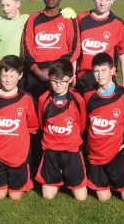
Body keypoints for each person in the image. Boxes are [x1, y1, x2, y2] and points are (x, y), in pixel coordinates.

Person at [84, 52, 124, 202]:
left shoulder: (123, 95)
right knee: (103, 198)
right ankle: (110, 181)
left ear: (113, 71)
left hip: (116, 154)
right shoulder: (88, 95)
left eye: (104, 70)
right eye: (96, 71)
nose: (100, 75)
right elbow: (82, 121)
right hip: (96, 156)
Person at [0, 55, 39, 200]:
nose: (7, 79)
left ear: (20, 76)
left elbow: (33, 127)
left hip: (18, 155)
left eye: (12, 76)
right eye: (4, 75)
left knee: (15, 197)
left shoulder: (26, 99)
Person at [36, 59, 87, 201]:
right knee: (47, 196)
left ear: (70, 79)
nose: (58, 86)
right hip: (51, 149)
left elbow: (82, 124)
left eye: (62, 81)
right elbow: (42, 123)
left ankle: (67, 177)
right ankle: (58, 178)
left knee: (81, 198)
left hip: (71, 150)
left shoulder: (77, 100)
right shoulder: (43, 99)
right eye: (54, 81)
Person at [22, 0, 80, 100]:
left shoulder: (67, 19)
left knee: (56, 111)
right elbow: (26, 48)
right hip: (37, 71)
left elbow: (75, 48)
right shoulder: (34, 18)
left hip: (60, 71)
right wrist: (37, 70)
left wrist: (57, 69)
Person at [75, 0, 124, 95]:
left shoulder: (117, 23)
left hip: (107, 79)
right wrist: (73, 76)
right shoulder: (81, 19)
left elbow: (123, 53)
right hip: (84, 78)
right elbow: (74, 50)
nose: (102, 3)